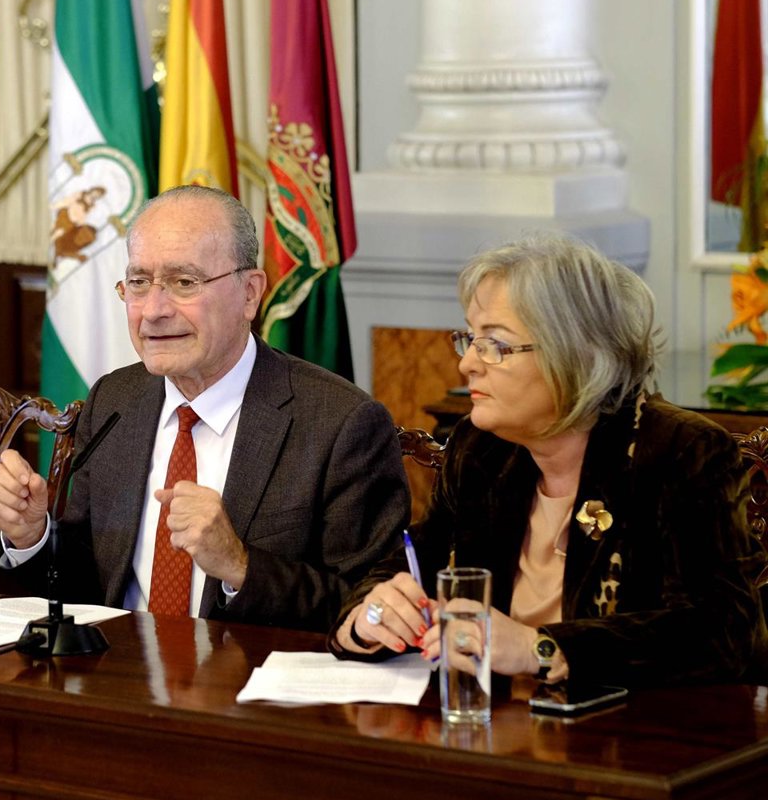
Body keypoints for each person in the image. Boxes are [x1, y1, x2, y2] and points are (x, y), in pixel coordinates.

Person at [329, 234, 768, 685]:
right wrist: (370, 617)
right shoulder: (481, 450)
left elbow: (722, 633)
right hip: (492, 729)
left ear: (574, 356)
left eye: (495, 345)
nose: (467, 366)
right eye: (470, 339)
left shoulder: (680, 452)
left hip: (631, 742)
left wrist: (541, 647)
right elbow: (411, 562)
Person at [0, 185, 409, 632]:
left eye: (184, 282)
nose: (153, 311)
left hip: (248, 690)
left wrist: (241, 566)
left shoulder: (339, 424)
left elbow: (370, 608)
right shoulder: (115, 400)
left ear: (250, 293)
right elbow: (89, 585)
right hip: (118, 679)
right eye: (140, 283)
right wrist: (32, 536)